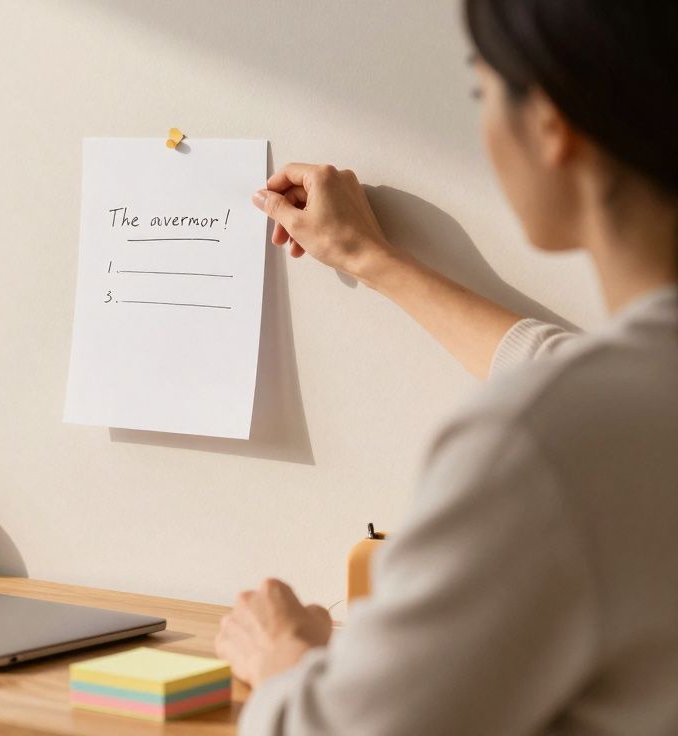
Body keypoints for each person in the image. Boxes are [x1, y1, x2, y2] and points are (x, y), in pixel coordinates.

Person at [214, 1, 678, 733]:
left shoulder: (539, 445)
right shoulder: (622, 405)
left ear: (553, 126)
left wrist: (285, 655)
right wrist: (371, 258)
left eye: (481, 91)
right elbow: (590, 381)